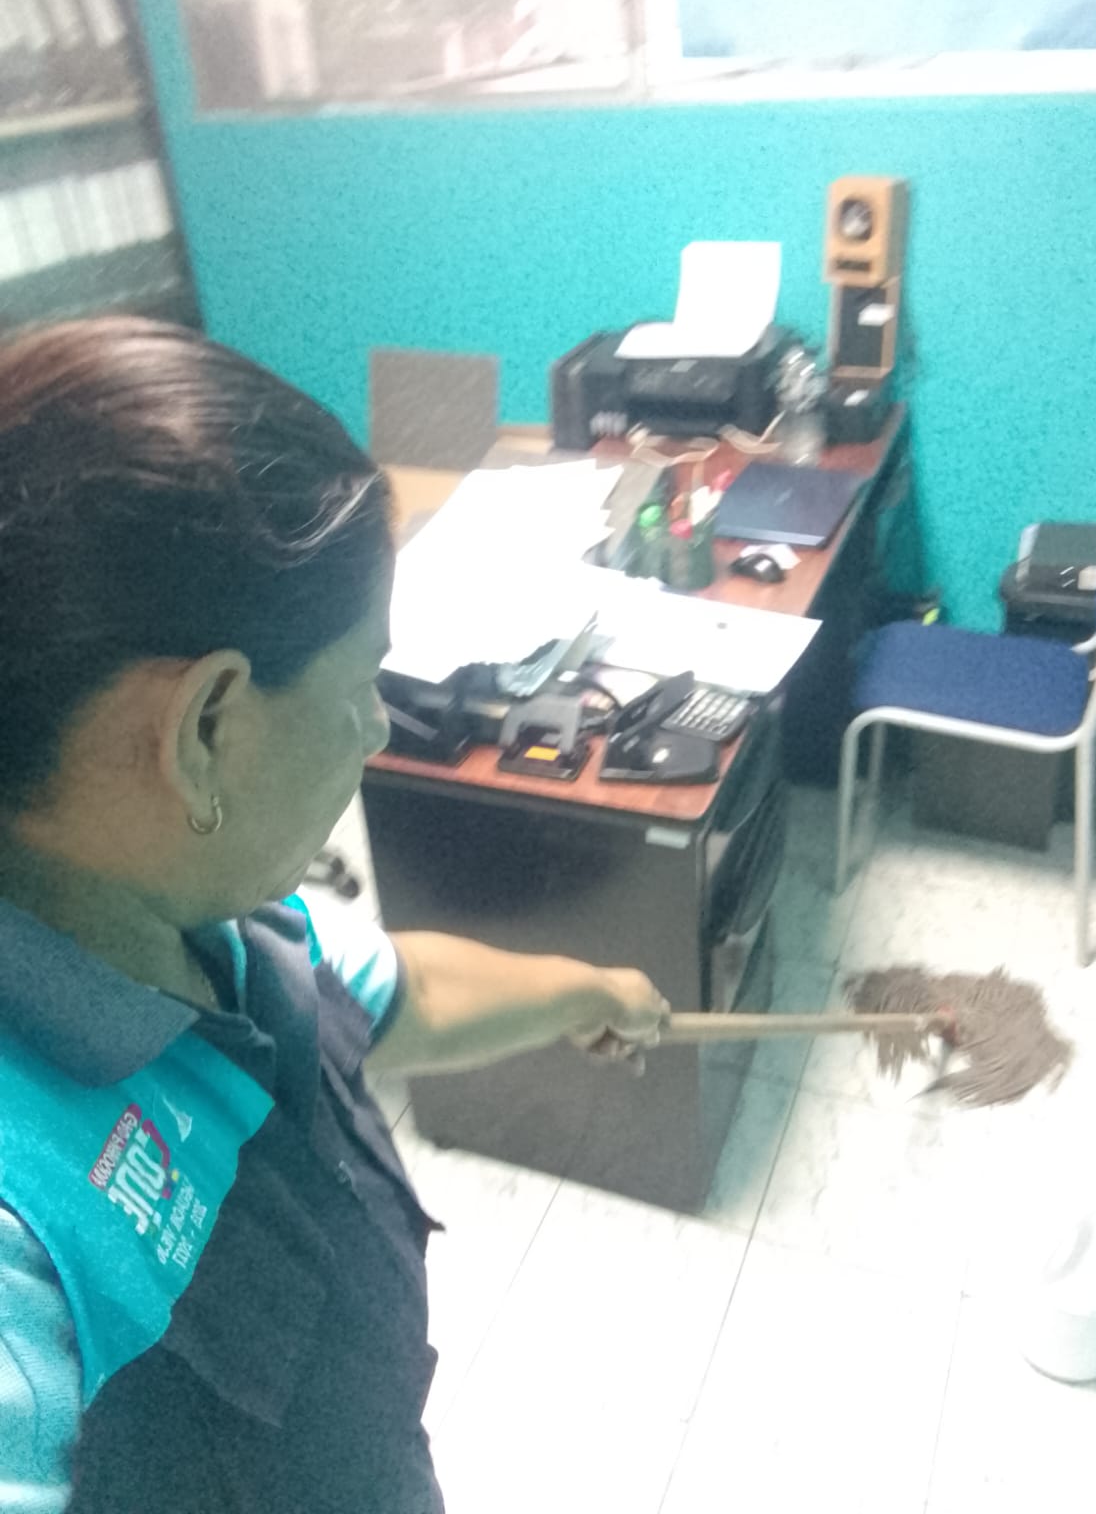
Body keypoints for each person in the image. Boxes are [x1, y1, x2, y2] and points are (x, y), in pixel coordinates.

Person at [0, 318, 668, 1514]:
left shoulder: (218, 923)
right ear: (206, 729)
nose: (376, 729)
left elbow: (398, 989)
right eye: (363, 683)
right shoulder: (23, 1241)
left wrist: (591, 989)